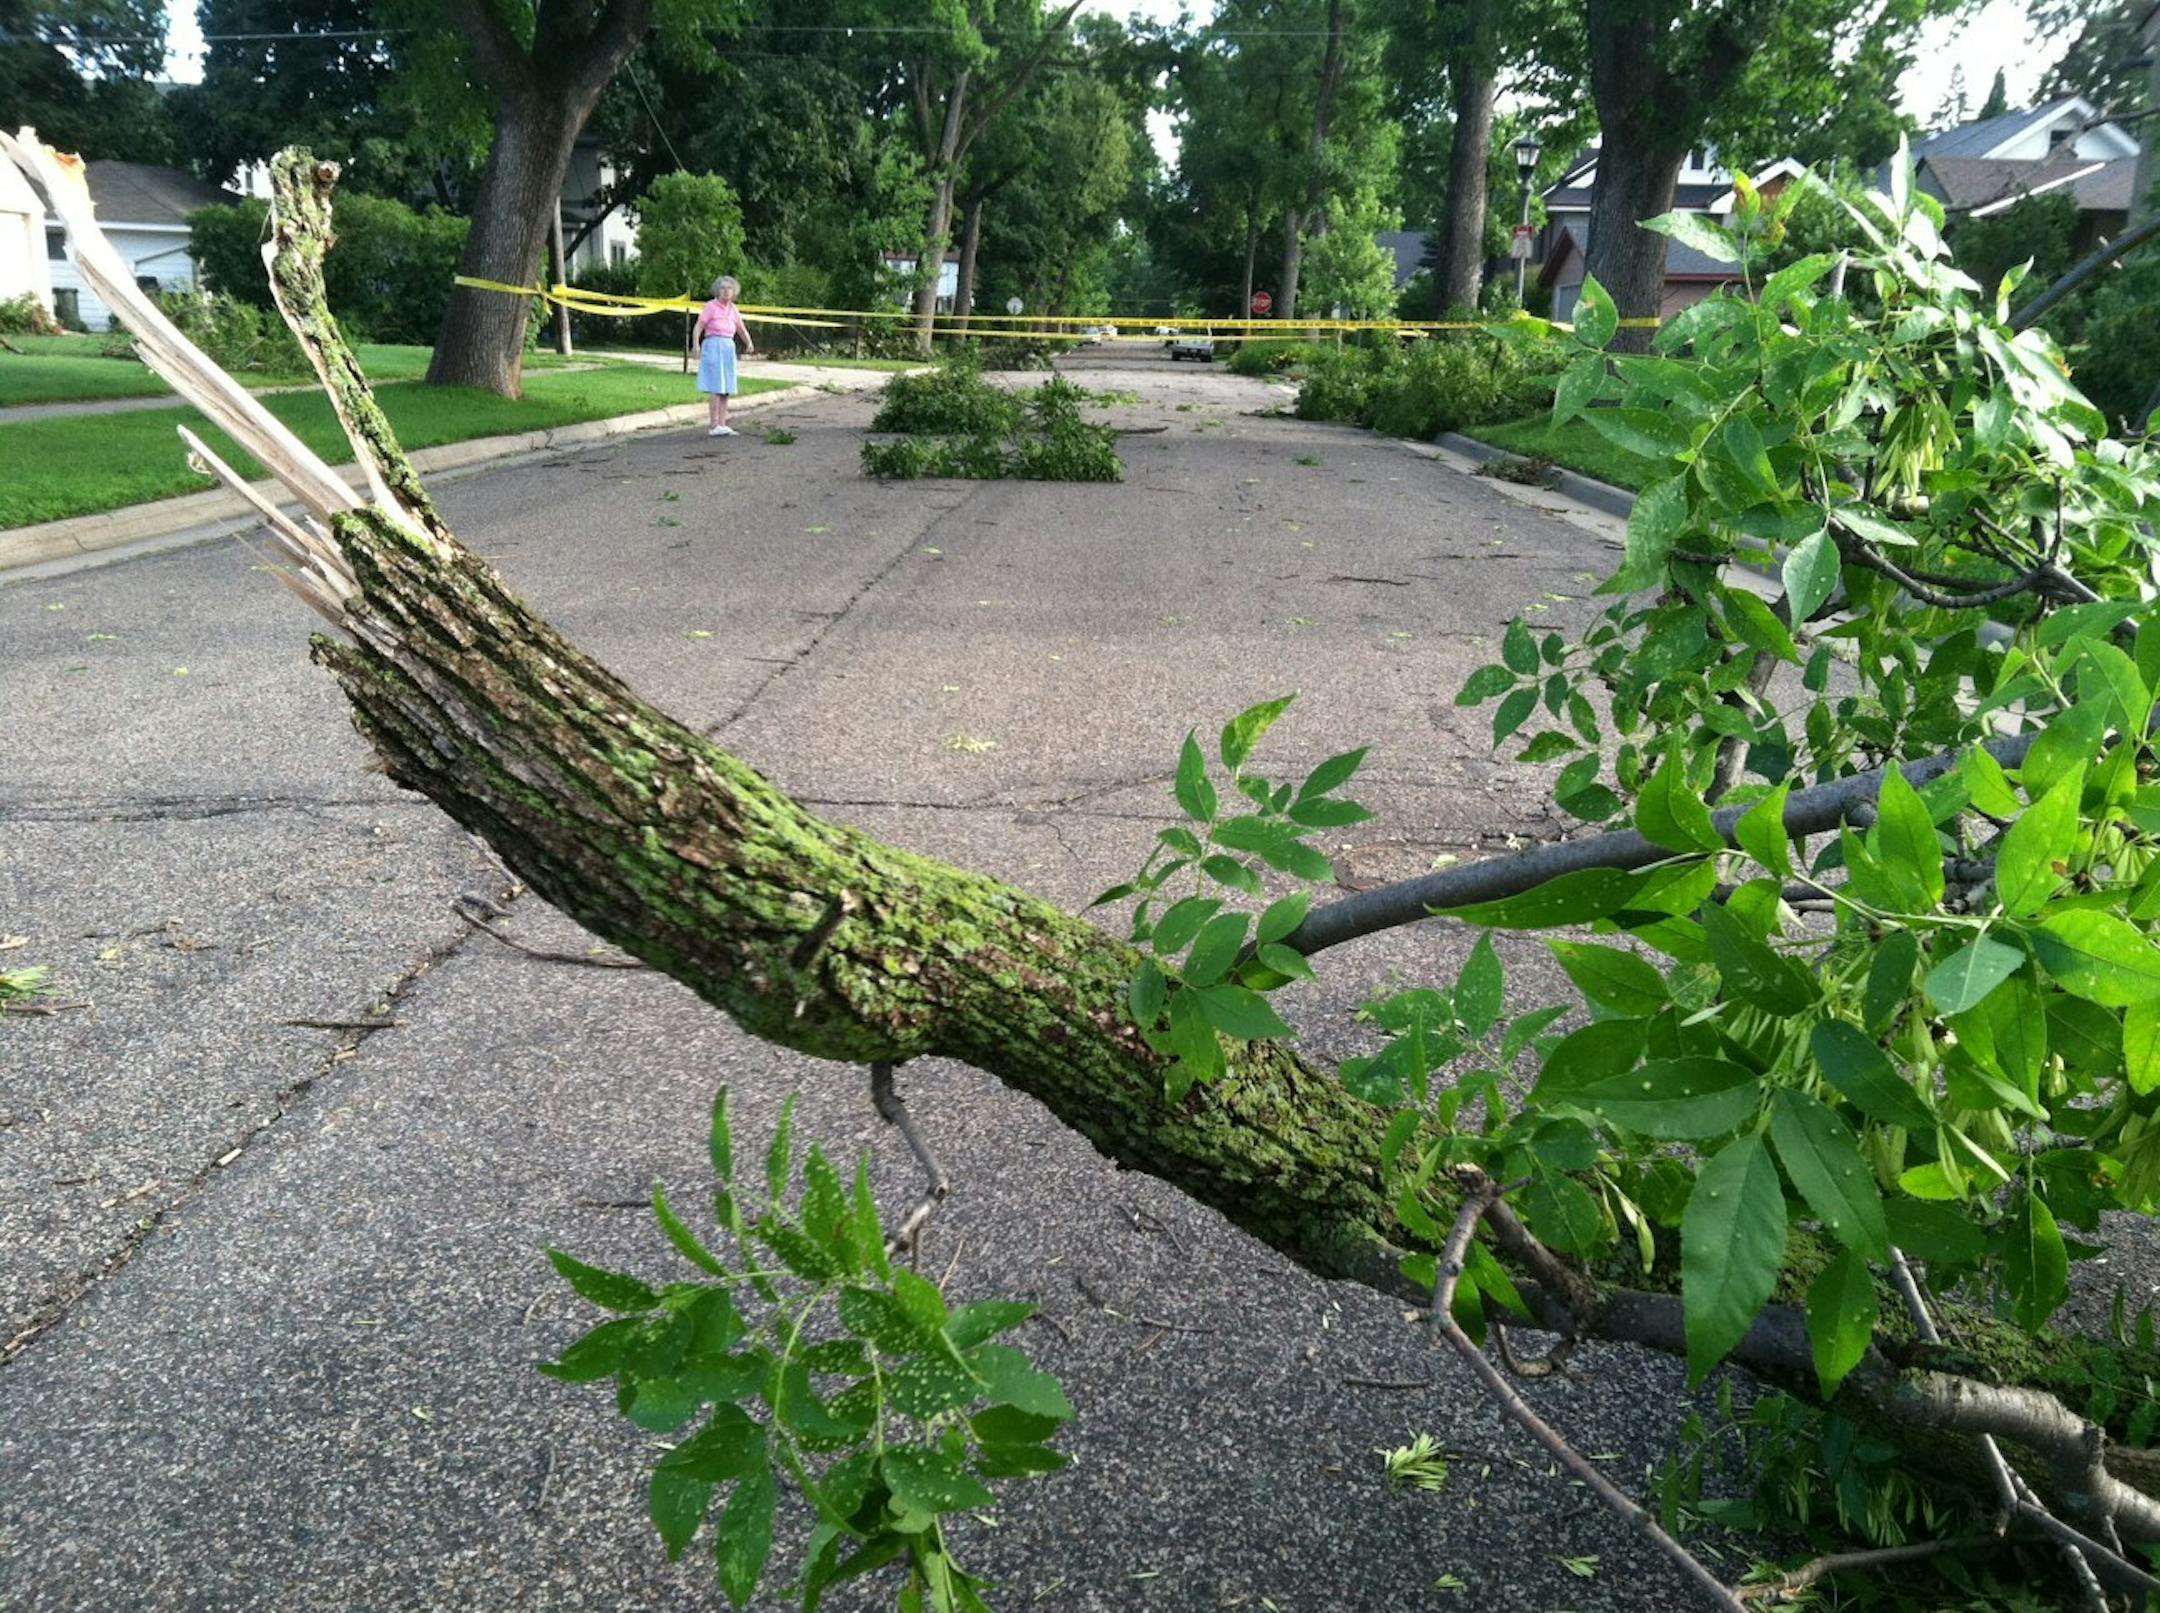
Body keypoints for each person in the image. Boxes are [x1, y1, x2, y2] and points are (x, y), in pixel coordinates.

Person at [695, 276, 755, 436]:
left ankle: (722, 423)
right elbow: (699, 326)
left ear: (734, 292)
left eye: (729, 288)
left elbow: (741, 328)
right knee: (716, 384)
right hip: (713, 344)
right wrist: (696, 344)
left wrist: (748, 342)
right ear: (717, 290)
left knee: (726, 386)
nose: (726, 291)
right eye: (722, 288)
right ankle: (714, 424)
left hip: (728, 345)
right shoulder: (710, 306)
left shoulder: (733, 309)